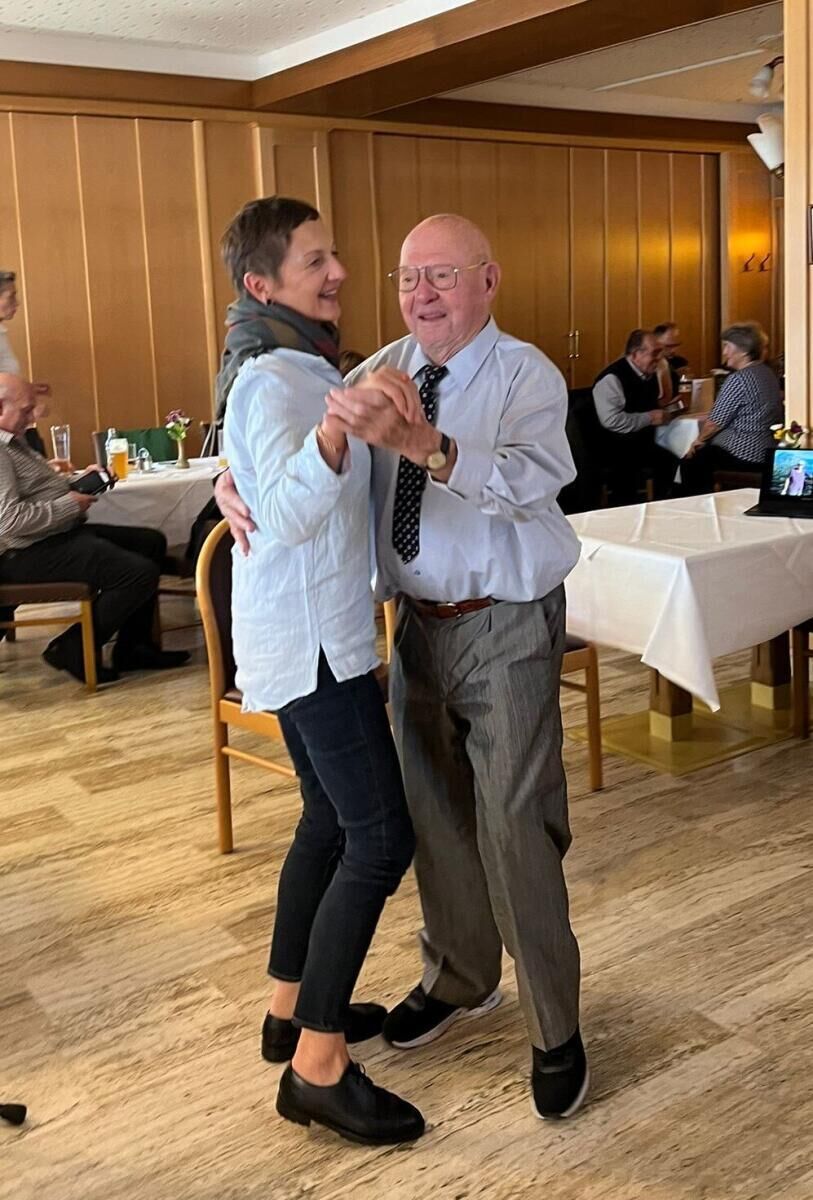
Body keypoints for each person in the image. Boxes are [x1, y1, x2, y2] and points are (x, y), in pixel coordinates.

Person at [218, 212, 590, 1121]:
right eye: (406, 278)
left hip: (504, 622)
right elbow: (281, 443)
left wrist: (427, 444)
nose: (420, 294)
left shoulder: (526, 375)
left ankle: (555, 1026)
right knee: (429, 818)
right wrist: (226, 484)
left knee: (513, 825)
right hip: (412, 629)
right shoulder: (371, 370)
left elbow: (532, 482)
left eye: (442, 276)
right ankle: (459, 977)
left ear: (487, 280)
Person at [219, 196, 423, 1147]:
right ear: (262, 285)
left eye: (333, 254)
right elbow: (290, 514)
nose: (337, 271)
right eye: (314, 261)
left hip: (312, 633)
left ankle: (288, 1009)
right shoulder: (272, 379)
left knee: (326, 821)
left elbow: (257, 480)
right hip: (310, 646)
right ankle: (317, 1065)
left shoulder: (301, 364)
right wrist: (335, 438)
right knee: (379, 838)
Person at [0, 373, 189, 682]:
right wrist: (70, 504)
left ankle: (135, 647)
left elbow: (37, 491)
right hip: (22, 553)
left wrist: (80, 481)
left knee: (150, 543)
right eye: (25, 410)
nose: (32, 418)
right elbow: (8, 521)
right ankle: (73, 648)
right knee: (138, 572)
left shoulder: (14, 442)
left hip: (52, 536)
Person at [681, 322, 783, 495]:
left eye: (727, 346)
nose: (724, 353)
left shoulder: (740, 379)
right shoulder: (767, 373)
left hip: (743, 452)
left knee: (690, 462)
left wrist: (698, 441)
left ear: (743, 351)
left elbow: (714, 423)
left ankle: (698, 506)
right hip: (766, 449)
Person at [593, 329, 678, 505]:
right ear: (635, 354)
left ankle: (667, 504)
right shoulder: (612, 379)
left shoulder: (649, 373)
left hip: (642, 441)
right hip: (614, 446)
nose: (659, 358)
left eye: (660, 352)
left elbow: (650, 403)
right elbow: (612, 421)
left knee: (680, 455)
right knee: (651, 462)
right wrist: (650, 417)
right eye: (654, 353)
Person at [653, 321, 689, 404]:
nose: (673, 351)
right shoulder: (649, 365)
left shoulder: (680, 362)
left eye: (676, 345)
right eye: (668, 346)